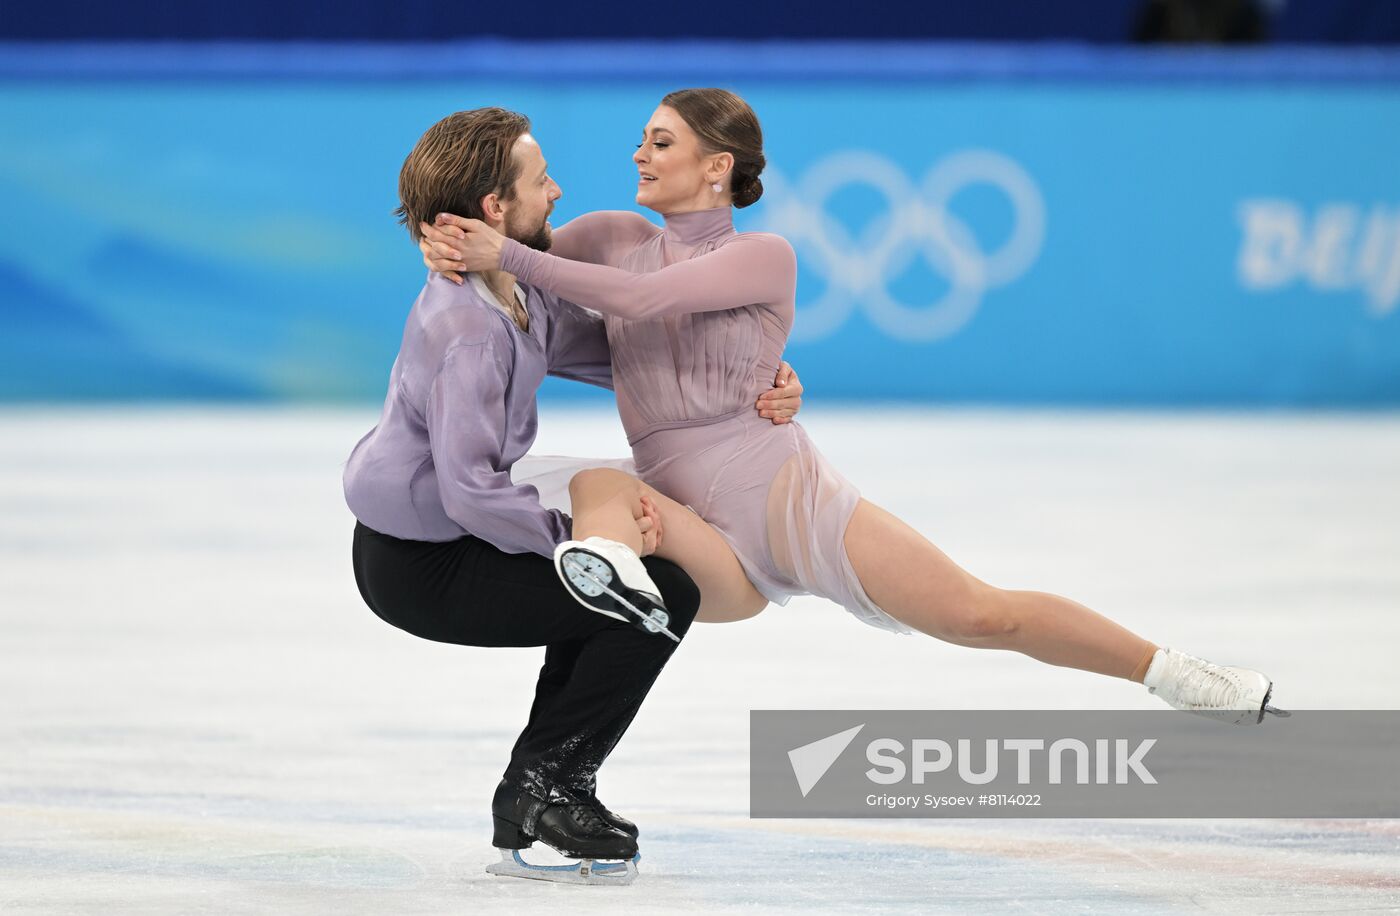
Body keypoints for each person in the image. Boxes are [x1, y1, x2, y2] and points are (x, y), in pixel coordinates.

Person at [419, 89, 1285, 725]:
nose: (638, 156)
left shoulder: (767, 255)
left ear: (716, 167)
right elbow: (507, 264)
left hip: (780, 497)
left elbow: (644, 304)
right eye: (641, 141)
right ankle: (562, 744)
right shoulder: (609, 237)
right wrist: (441, 237)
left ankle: (1169, 672)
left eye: (660, 143)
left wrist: (514, 257)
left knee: (981, 615)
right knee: (606, 503)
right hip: (693, 514)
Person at [345, 107, 805, 884]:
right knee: (650, 597)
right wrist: (576, 540)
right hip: (420, 562)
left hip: (457, 529)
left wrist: (756, 383)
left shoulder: (515, 293)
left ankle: (542, 784)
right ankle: (547, 784)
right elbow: (469, 492)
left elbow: (634, 357)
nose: (556, 191)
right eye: (539, 179)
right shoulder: (468, 329)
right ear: (495, 209)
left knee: (632, 587)